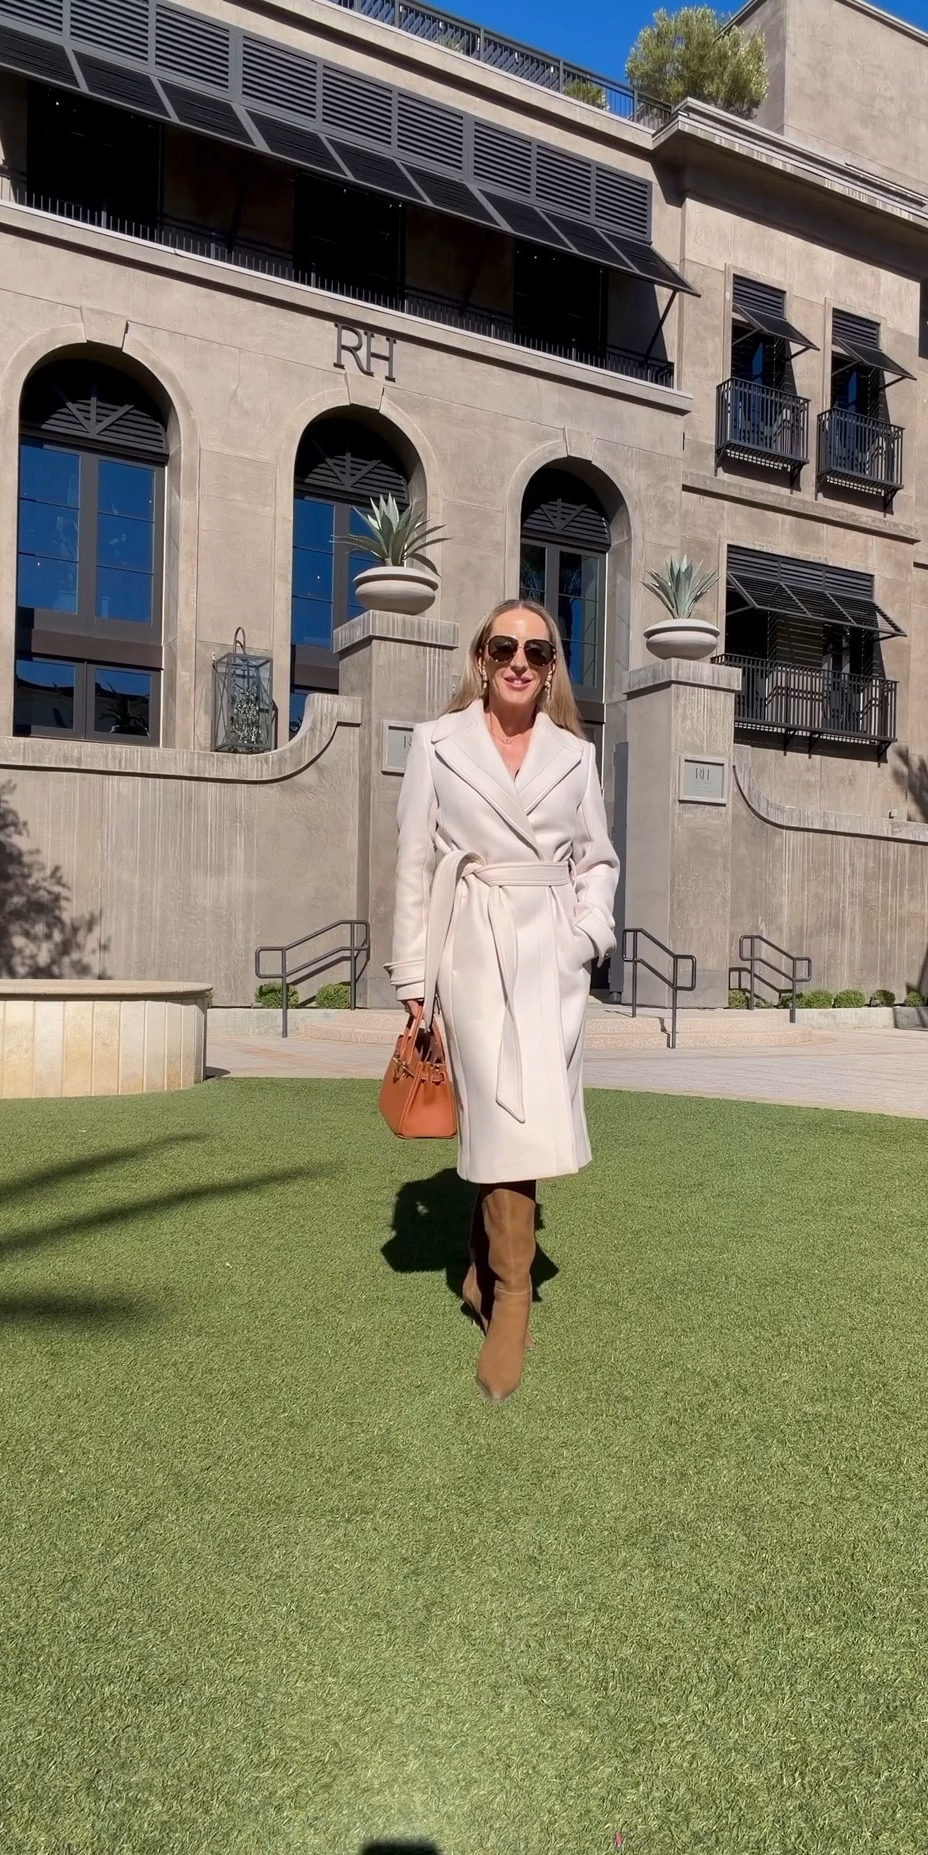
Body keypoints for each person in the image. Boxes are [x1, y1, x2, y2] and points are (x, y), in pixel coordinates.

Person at [389, 598, 619, 1403]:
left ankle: (486, 1272)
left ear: (552, 665)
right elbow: (415, 864)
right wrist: (414, 985)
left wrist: (586, 937)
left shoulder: (574, 757)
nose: (519, 660)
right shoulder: (435, 744)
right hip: (473, 949)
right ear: (481, 659)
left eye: (536, 648)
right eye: (503, 646)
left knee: (527, 1115)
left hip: (551, 959)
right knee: (501, 1114)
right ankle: (514, 1298)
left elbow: (598, 860)